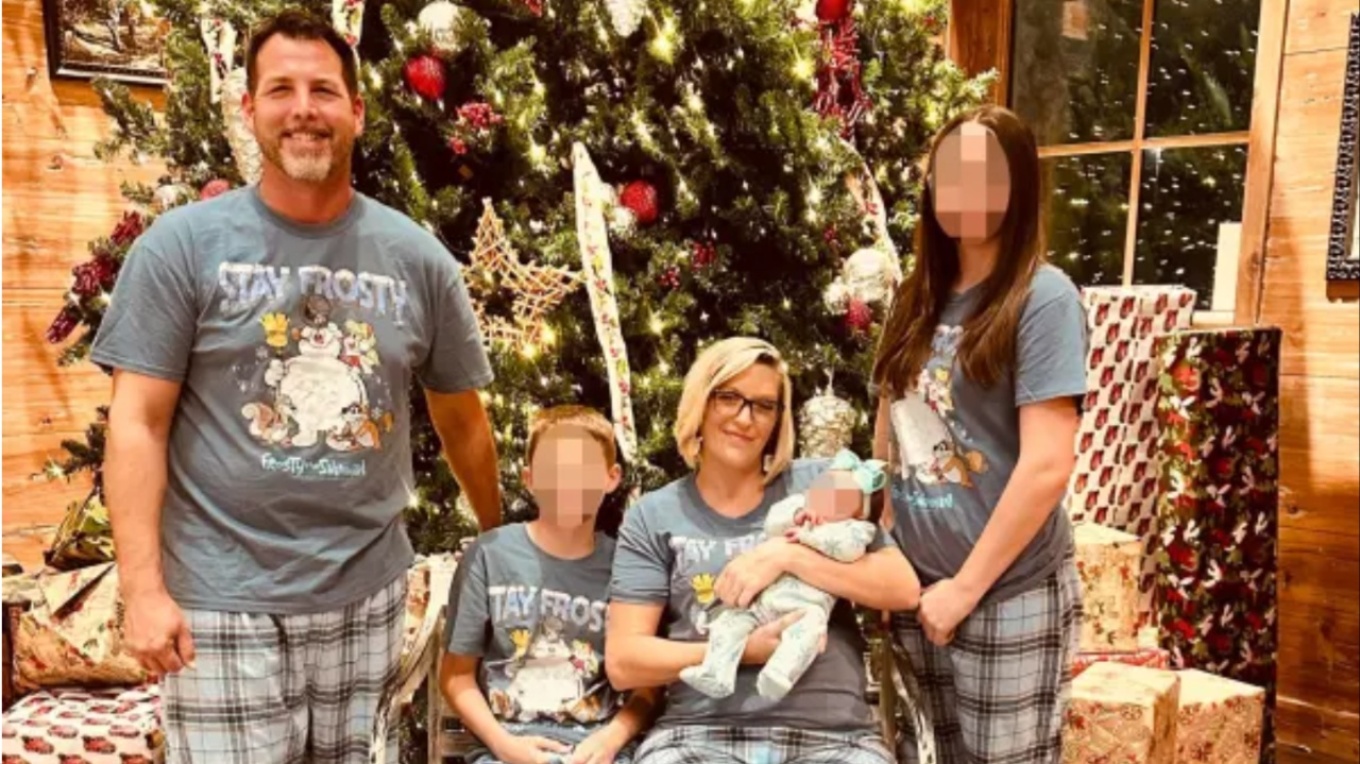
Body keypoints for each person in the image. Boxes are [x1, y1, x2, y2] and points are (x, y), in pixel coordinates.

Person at [90, 9, 502, 762]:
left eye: (323, 91)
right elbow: (137, 423)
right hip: (221, 600)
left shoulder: (418, 261)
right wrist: (142, 590)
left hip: (369, 598)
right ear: (250, 109)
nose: (304, 109)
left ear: (357, 112)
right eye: (281, 90)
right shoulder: (181, 249)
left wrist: (498, 543)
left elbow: (463, 421)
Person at [871, 104, 1087, 763]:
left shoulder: (1044, 298)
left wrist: (964, 590)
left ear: (1016, 186)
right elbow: (889, 430)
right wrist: (883, 547)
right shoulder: (913, 297)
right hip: (915, 590)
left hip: (1004, 593)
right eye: (950, 173)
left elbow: (1047, 466)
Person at [606, 337, 920, 764]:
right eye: (729, 397)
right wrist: (745, 649)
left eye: (763, 405)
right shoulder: (653, 514)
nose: (745, 418)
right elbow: (625, 662)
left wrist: (787, 556)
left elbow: (902, 588)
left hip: (831, 737)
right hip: (697, 734)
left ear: (778, 419)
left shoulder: (820, 482)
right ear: (700, 402)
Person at [442, 406, 657, 764]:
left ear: (611, 477)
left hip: (598, 749)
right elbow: (456, 676)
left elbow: (648, 687)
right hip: (506, 748)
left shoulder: (628, 567)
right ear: (529, 479)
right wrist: (504, 746)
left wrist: (611, 739)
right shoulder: (490, 556)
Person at [678, 449, 887, 702]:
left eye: (839, 496)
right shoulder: (799, 508)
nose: (826, 495)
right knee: (729, 623)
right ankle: (716, 673)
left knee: (807, 633)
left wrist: (809, 537)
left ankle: (780, 674)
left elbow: (848, 550)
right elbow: (772, 524)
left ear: (859, 511)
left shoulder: (854, 528)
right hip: (762, 603)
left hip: (804, 607)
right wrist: (796, 516)